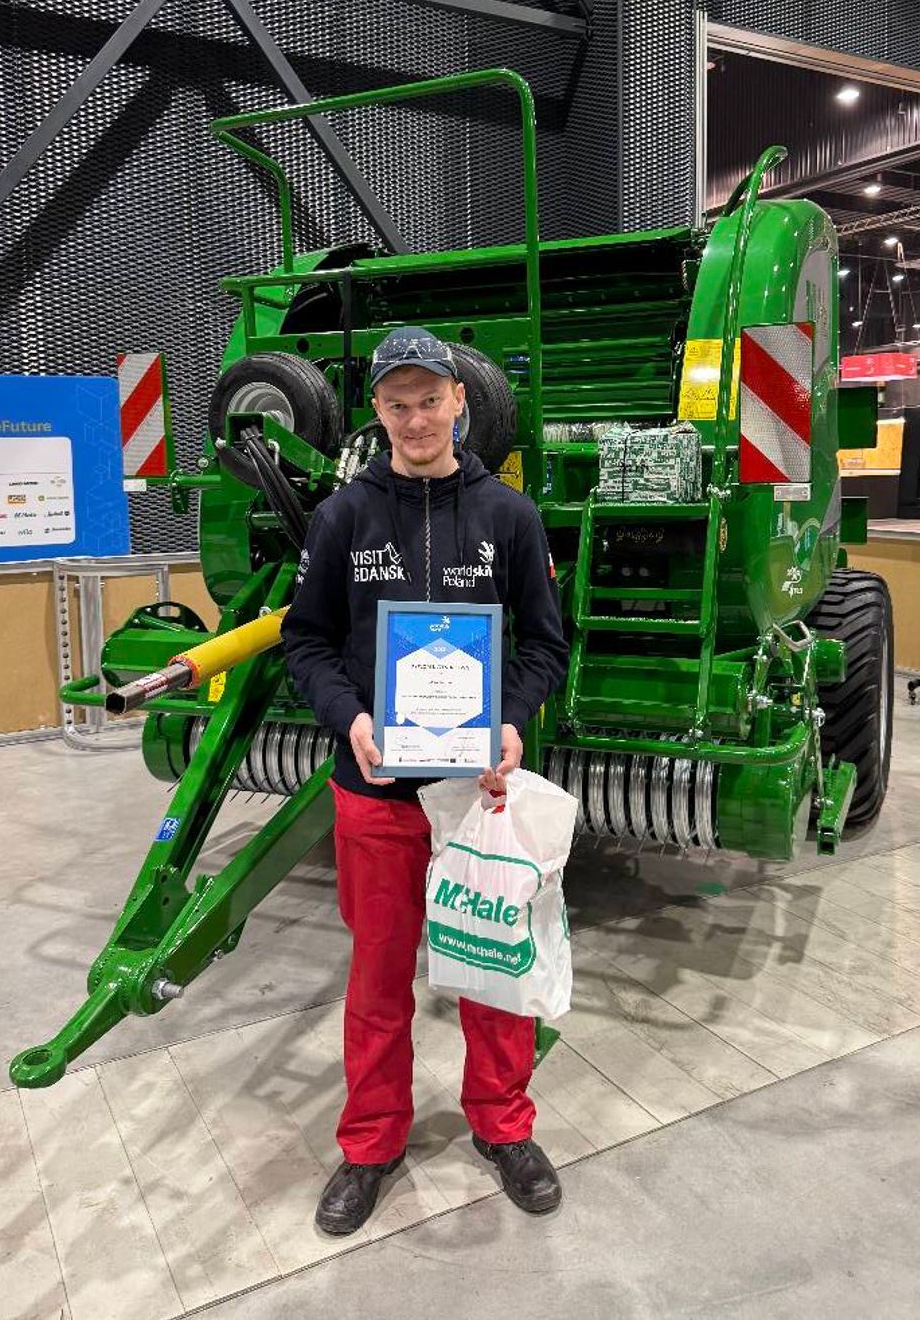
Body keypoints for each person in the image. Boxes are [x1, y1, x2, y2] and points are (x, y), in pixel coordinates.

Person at [281, 325, 570, 1236]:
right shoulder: (344, 517)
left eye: (428, 399)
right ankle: (371, 1142)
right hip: (376, 795)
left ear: (459, 401)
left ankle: (504, 1125)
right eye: (396, 402)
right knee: (376, 979)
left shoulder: (509, 516)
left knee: (493, 967)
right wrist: (351, 719)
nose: (414, 417)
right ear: (377, 411)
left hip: (478, 796)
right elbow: (307, 640)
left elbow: (544, 642)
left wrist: (514, 721)